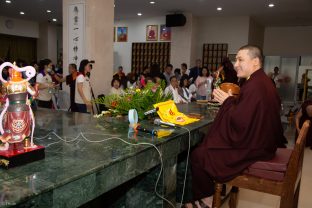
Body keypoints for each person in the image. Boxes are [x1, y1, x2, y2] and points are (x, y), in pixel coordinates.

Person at [184, 45, 286, 208]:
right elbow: (248, 112)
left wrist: (226, 102)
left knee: (199, 154)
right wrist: (230, 102)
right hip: (262, 142)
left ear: (255, 62)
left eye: (240, 60)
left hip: (254, 147)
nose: (236, 63)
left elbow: (242, 121)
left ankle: (207, 197)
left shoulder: (255, 85)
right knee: (206, 145)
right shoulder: (260, 81)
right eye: (235, 59)